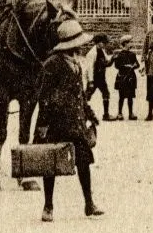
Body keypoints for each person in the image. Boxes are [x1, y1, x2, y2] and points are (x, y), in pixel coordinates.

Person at [35, 16, 103, 221]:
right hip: (56, 122)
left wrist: (90, 114)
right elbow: (44, 96)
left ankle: (89, 203)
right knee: (51, 163)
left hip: (76, 122)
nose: (81, 47)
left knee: (84, 162)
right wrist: (43, 124)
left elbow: (80, 94)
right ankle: (48, 206)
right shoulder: (52, 65)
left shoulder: (76, 63)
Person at [86, 34, 113, 120]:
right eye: (103, 42)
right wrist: (90, 81)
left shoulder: (102, 50)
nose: (104, 44)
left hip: (101, 78)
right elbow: (89, 68)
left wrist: (113, 59)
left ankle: (106, 115)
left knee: (106, 94)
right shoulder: (92, 53)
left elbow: (106, 63)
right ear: (98, 42)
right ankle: (82, 113)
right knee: (87, 96)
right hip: (94, 78)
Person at [112, 37, 139, 120]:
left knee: (130, 96)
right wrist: (125, 66)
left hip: (131, 77)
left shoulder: (132, 54)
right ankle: (120, 113)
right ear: (125, 44)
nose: (130, 44)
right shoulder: (119, 55)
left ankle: (131, 113)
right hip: (122, 77)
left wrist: (134, 66)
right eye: (128, 42)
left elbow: (137, 64)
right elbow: (116, 66)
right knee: (122, 96)